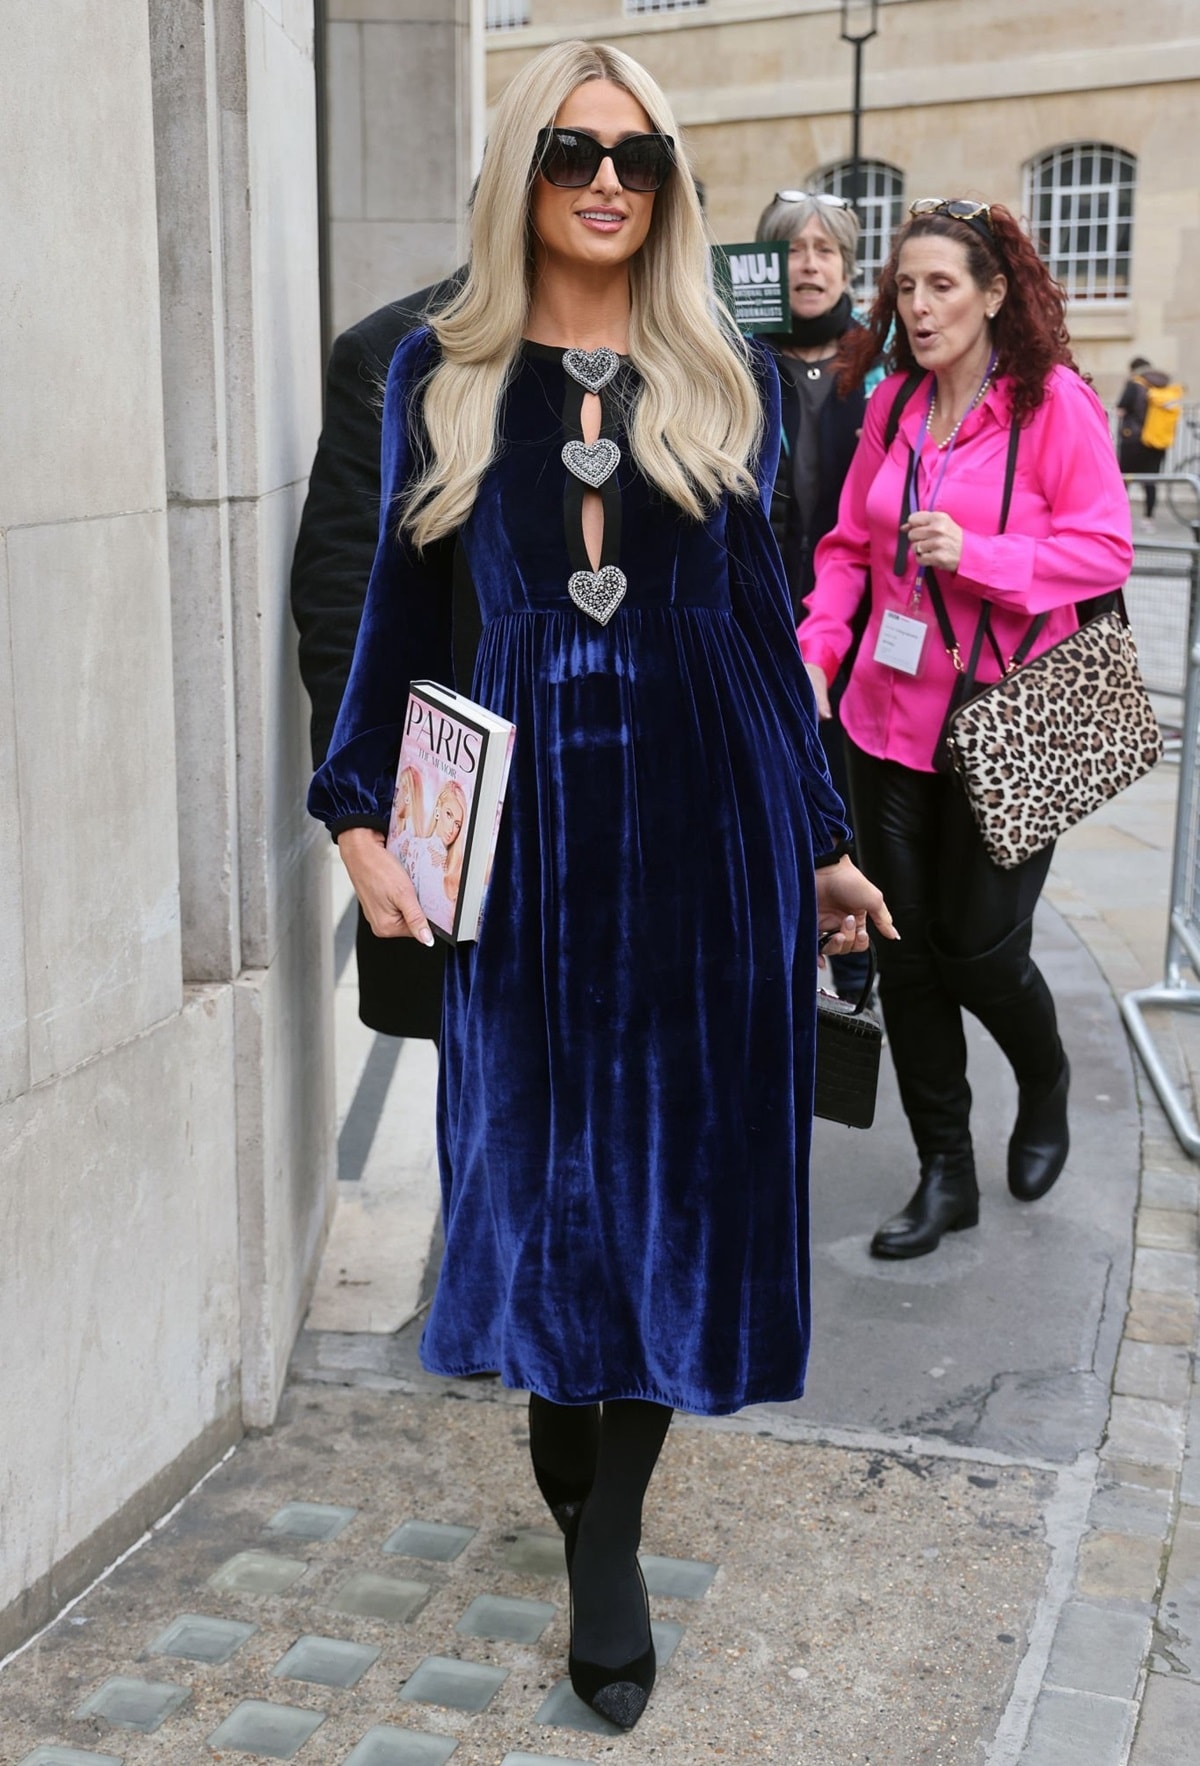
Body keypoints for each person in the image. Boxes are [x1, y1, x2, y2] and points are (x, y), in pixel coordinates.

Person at [307, 39, 894, 1730]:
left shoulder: (736, 378)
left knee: (685, 1187)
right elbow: (397, 632)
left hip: (710, 841)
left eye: (639, 157)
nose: (609, 183)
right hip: (525, 860)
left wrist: (829, 843)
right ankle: (568, 1434)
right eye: (574, 151)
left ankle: (613, 1535)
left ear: (673, 185)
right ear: (524, 172)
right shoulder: (440, 370)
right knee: (538, 1179)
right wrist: (358, 819)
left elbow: (764, 642)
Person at [801, 198, 1133, 1261]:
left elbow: (1106, 550)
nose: (921, 304)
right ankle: (945, 1171)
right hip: (883, 720)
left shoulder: (1053, 407)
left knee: (981, 953)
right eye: (906, 286)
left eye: (944, 285)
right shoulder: (893, 405)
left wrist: (980, 554)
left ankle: (1046, 1078)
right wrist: (820, 642)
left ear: (994, 295)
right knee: (906, 956)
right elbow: (851, 543)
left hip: (1004, 725)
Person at [291, 272, 463, 1043]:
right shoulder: (393, 353)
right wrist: (357, 822)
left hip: (658, 826)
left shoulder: (686, 359)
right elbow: (343, 602)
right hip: (463, 817)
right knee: (497, 1124)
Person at [756, 189, 875, 999]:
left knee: (846, 777)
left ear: (848, 266)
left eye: (826, 250)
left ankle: (854, 949)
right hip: (760, 601)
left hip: (856, 612)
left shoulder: (881, 362)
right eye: (794, 250)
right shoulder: (738, 355)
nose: (810, 264)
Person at [1117, 355, 1172, 530]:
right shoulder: (1163, 385)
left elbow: (1120, 409)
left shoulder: (1135, 384)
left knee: (1123, 480)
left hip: (1133, 440)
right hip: (1156, 440)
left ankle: (1119, 518)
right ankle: (1149, 519)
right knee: (1150, 481)